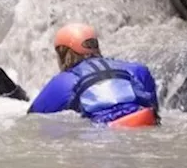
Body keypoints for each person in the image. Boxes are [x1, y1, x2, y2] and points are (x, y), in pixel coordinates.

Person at [27, 23, 160, 128]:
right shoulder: (135, 69)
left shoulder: (63, 82)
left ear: (64, 54)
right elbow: (153, 105)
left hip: (105, 131)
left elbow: (33, 118)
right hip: (143, 120)